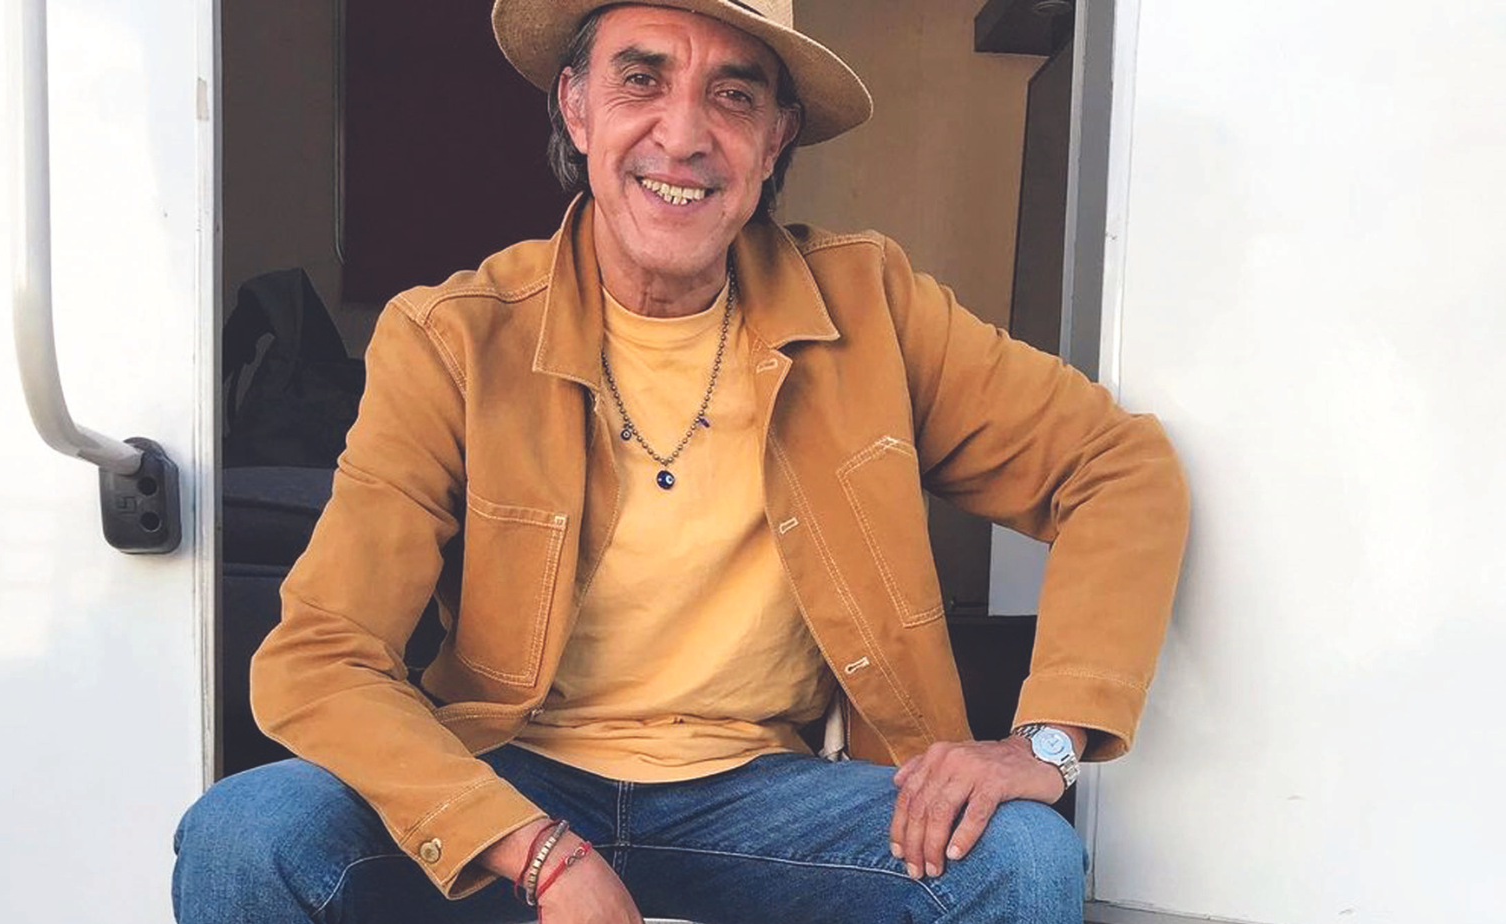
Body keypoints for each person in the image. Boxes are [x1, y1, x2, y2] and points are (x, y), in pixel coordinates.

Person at [173, 2, 1190, 922]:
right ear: (576, 108)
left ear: (775, 137)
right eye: (640, 79)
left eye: (733, 95)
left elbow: (1115, 466)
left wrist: (1047, 743)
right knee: (250, 834)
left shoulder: (870, 303)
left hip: (765, 800)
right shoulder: (454, 336)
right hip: (512, 776)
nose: (684, 134)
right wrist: (539, 855)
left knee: (1022, 859)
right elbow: (322, 655)